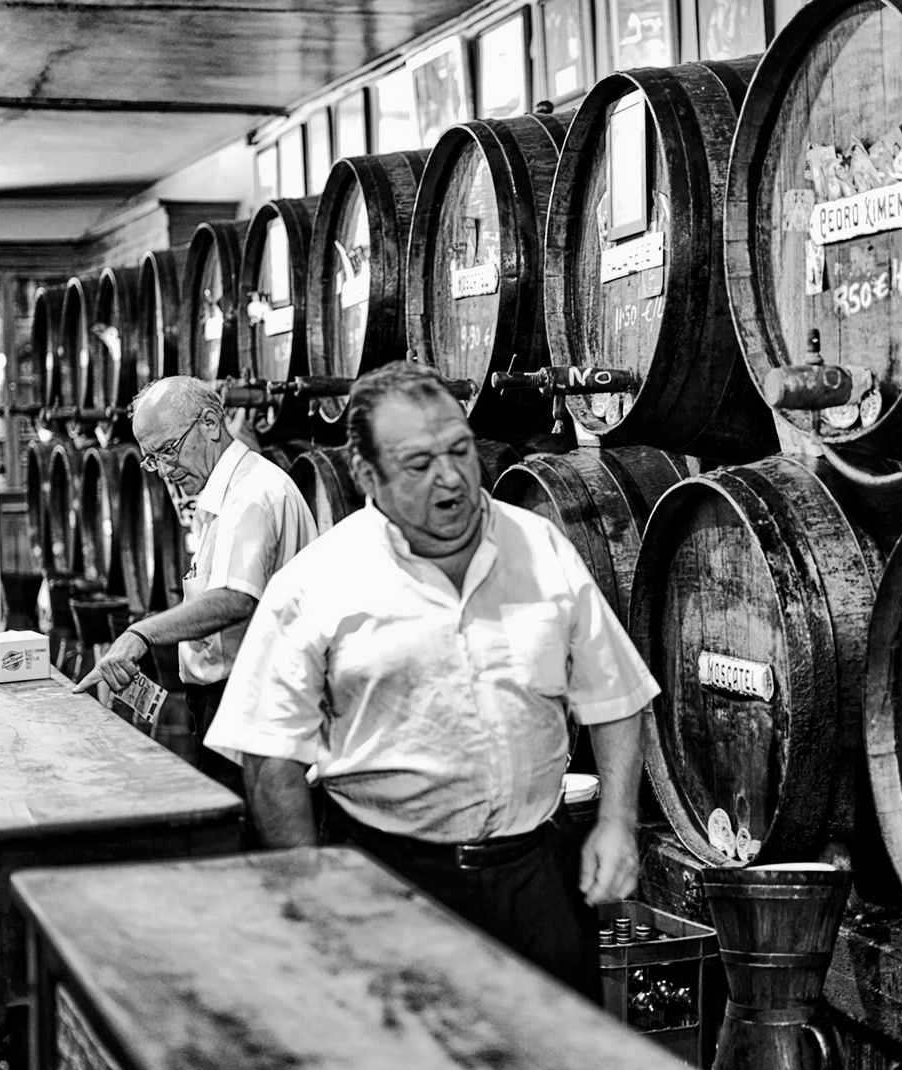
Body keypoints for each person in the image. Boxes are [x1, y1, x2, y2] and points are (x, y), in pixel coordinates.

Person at [204, 362, 659, 999]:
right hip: (391, 875)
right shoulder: (316, 583)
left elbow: (614, 692)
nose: (450, 478)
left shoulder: (539, 546)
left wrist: (617, 821)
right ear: (368, 476)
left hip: (538, 874)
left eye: (459, 450)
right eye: (418, 464)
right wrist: (313, 884)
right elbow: (268, 754)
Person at [73, 376, 316, 794]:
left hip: (257, 703)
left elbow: (233, 600)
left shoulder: (252, 495)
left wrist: (141, 633)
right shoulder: (224, 494)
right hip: (231, 701)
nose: (165, 469)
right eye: (153, 459)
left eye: (168, 450)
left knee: (246, 847)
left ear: (209, 423)